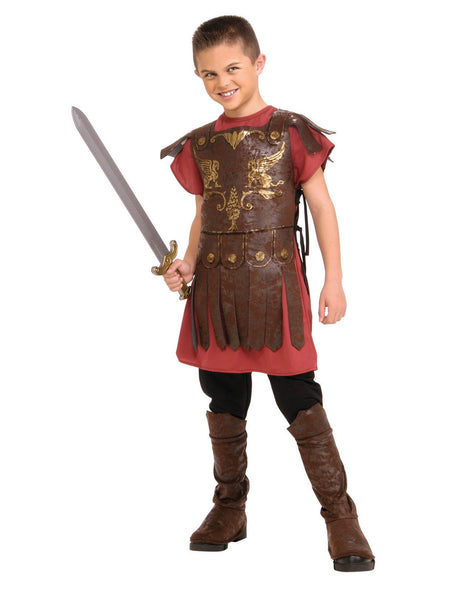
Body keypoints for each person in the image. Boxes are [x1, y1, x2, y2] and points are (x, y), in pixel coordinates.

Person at [160, 15, 375, 572]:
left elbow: (321, 207)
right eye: (208, 74)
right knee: (224, 398)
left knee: (299, 397)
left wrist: (333, 279)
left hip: (276, 290)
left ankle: (341, 517)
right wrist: (186, 263)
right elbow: (204, 215)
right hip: (216, 292)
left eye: (232, 68)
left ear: (258, 63)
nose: (222, 82)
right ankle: (229, 507)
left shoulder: (290, 132)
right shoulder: (200, 145)